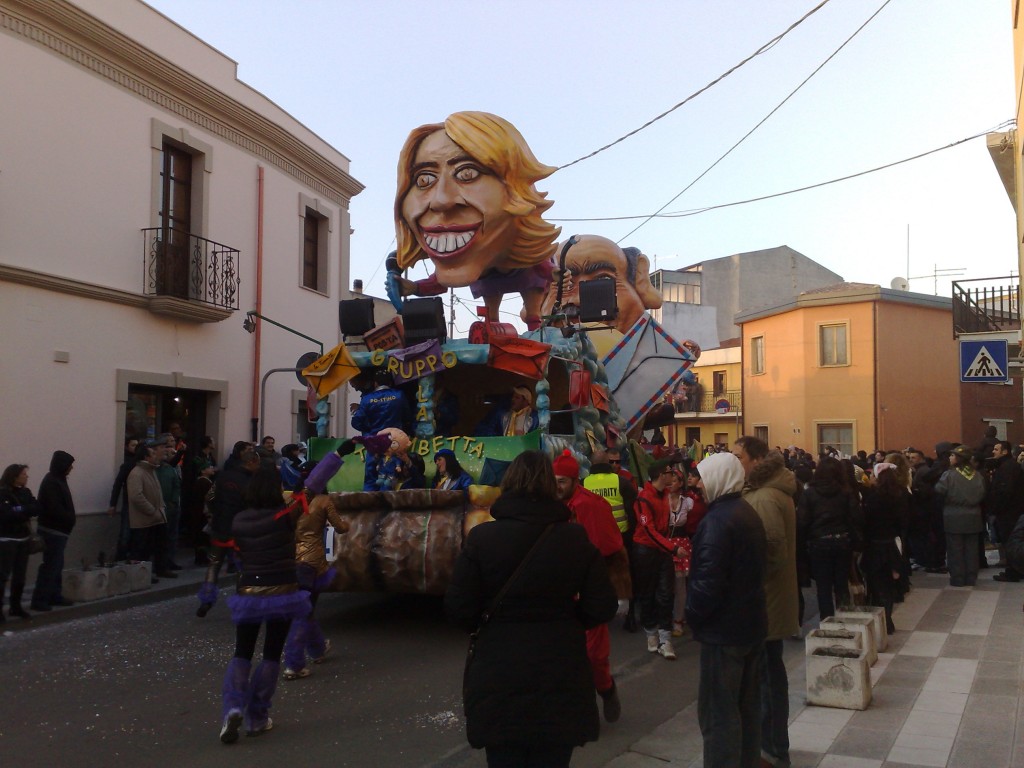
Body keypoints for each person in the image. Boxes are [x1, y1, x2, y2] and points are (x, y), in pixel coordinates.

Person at [444, 450, 617, 767]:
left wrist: (486, 624)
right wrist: (569, 620)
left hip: (499, 671)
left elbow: (458, 606)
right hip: (559, 669)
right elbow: (603, 605)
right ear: (550, 486)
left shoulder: (482, 539)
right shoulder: (574, 538)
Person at [389, 111, 560, 329]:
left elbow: (544, 265)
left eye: (467, 174)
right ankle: (493, 327)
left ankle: (534, 329)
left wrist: (554, 273)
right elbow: (439, 281)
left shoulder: (519, 250)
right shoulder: (475, 258)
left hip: (523, 273)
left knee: (532, 310)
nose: (441, 201)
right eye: (424, 179)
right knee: (491, 313)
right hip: (489, 276)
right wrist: (413, 288)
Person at [218, 463, 311, 744]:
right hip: (283, 590)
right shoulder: (284, 515)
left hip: (249, 591)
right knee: (272, 652)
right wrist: (338, 455)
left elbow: (233, 555)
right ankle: (257, 717)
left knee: (243, 651)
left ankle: (234, 705)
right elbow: (313, 488)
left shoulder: (239, 520)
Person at [686, 451, 767, 768]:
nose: (700, 487)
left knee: (719, 716)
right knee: (746, 710)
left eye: (704, 480)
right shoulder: (747, 512)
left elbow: (707, 585)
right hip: (750, 626)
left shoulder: (717, 522)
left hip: (724, 634)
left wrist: (692, 615)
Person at [732, 436, 798, 768]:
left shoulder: (766, 497)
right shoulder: (766, 493)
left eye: (739, 456)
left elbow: (772, 551)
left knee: (769, 681)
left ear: (757, 461)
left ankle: (773, 751)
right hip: (770, 601)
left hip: (767, 602)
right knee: (768, 676)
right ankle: (770, 747)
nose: (735, 462)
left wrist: (747, 580)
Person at [552, 449, 627, 724]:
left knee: (594, 655)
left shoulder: (590, 506)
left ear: (574, 480)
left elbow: (606, 548)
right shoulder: (552, 506)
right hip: (562, 593)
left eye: (562, 481)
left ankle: (606, 689)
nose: (558, 486)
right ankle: (580, 710)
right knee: (566, 655)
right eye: (555, 480)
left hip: (589, 591)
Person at [283, 440, 357, 680]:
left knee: (305, 608)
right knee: (304, 610)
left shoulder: (291, 500)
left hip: (290, 560)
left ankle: (317, 648)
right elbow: (341, 527)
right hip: (313, 562)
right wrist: (350, 524)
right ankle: (293, 662)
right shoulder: (324, 502)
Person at [538, 235, 664, 333]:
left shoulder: (662, 357)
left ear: (638, 278)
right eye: (566, 285)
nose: (578, 299)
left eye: (602, 280)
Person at [196, 447, 261, 617]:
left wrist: (212, 513)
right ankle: (241, 604)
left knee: (214, 563)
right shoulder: (251, 482)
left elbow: (209, 496)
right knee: (241, 567)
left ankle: (206, 599)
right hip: (240, 530)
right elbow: (254, 505)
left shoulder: (223, 476)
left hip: (219, 526)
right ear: (251, 462)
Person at [797, 456, 861, 620]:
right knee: (841, 585)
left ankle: (827, 621)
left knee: (823, 588)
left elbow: (802, 522)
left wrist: (801, 548)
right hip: (842, 542)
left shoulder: (809, 493)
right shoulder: (845, 492)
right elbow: (855, 518)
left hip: (819, 543)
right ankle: (845, 619)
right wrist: (856, 544)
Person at [632, 459, 684, 660]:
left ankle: (665, 638)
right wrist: (673, 548)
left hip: (662, 549)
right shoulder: (643, 499)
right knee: (647, 594)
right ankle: (651, 633)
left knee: (665, 593)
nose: (673, 475)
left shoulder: (664, 495)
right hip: (646, 550)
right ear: (662, 475)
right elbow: (649, 530)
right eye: (670, 472)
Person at [861, 462, 909, 634]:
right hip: (892, 545)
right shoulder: (900, 495)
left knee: (875, 585)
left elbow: (866, 523)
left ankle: (881, 622)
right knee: (888, 586)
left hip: (874, 546)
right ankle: (887, 619)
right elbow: (903, 522)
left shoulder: (872, 498)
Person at [32, 450, 77, 610]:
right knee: (51, 566)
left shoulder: (58, 480)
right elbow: (53, 508)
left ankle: (54, 595)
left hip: (59, 530)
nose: (71, 468)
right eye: (70, 465)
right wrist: (68, 519)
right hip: (52, 530)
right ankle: (40, 599)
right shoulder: (52, 481)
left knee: (57, 565)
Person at [351, 369, 411, 490]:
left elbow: (356, 422)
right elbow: (408, 416)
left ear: (375, 383)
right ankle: (386, 506)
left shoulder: (367, 399)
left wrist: (368, 431)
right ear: (390, 382)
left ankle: (369, 505)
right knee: (390, 476)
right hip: (394, 442)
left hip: (374, 441)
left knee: (371, 477)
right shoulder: (399, 395)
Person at [936, 444, 986, 587]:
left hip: (953, 515)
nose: (950, 457)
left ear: (958, 458)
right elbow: (983, 493)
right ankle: (971, 578)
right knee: (972, 549)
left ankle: (958, 578)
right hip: (974, 515)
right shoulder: (977, 475)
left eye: (952, 455)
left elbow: (939, 491)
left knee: (955, 549)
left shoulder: (949, 475)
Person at [126, 441, 176, 580]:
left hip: (157, 517)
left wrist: (161, 509)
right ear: (146, 457)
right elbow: (136, 496)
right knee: (142, 549)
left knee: (161, 545)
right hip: (144, 519)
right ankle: (143, 575)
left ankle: (161, 569)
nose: (156, 455)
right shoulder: (137, 473)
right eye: (153, 453)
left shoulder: (152, 470)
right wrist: (152, 511)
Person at [0, 464, 40, 620]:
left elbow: (36, 508)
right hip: (6, 540)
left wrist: (20, 509)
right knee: (2, 576)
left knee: (20, 576)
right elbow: (6, 515)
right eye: (24, 474)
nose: (26, 477)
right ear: (14, 476)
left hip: (23, 539)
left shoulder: (25, 492)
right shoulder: (3, 493)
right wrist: (24, 510)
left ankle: (15, 607)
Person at [986, 440, 1024, 582]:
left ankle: (1013, 571)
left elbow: (1005, 491)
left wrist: (996, 508)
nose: (993, 451)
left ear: (1005, 451)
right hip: (1011, 511)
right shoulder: (1007, 465)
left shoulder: (1008, 467)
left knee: (1011, 542)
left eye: (996, 449)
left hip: (1009, 513)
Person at [107, 437, 138, 561]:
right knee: (125, 535)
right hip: (129, 504)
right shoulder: (127, 464)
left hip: (139, 505)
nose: (135, 448)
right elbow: (118, 484)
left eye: (137, 445)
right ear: (126, 446)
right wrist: (113, 504)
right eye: (132, 445)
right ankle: (120, 560)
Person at [155, 433, 183, 571]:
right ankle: (161, 563)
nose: (173, 442)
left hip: (174, 503)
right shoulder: (161, 465)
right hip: (164, 504)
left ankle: (170, 560)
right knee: (163, 536)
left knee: (173, 535)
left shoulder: (171, 468)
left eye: (174, 439)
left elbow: (177, 483)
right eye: (170, 440)